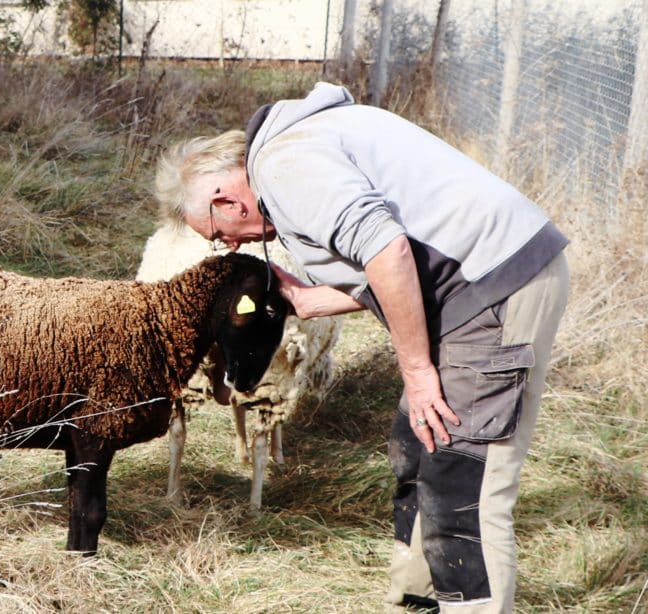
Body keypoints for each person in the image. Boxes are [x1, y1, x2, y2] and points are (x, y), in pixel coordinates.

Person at [154, 82, 569, 612]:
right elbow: (390, 263)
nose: (228, 245)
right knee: (417, 446)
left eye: (218, 234)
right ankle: (420, 597)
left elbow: (388, 251)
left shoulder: (285, 167)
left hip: (496, 288)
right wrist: (310, 300)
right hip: (471, 284)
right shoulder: (296, 148)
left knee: (465, 476)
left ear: (225, 201)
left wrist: (417, 371)